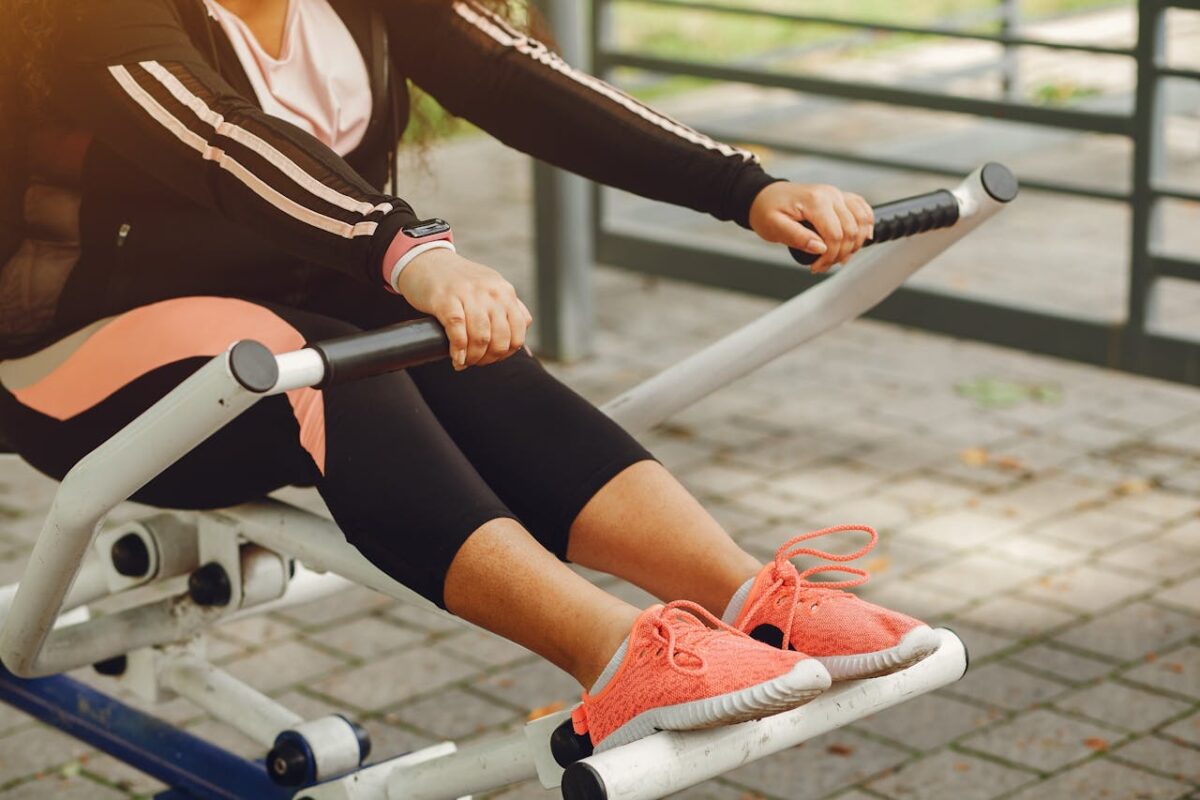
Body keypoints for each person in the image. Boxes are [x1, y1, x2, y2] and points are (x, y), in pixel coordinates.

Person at [0, 0, 939, 751]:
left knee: (436, 339)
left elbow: (521, 79)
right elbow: (220, 139)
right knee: (319, 363)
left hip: (293, 318)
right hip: (74, 358)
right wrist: (403, 246)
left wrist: (748, 188)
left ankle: (748, 598)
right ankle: (615, 659)